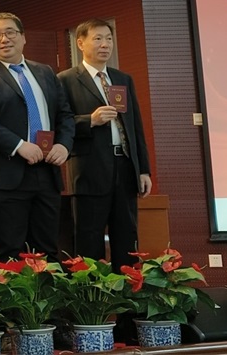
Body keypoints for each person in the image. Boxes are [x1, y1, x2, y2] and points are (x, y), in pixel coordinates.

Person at [0, 12, 75, 261]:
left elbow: (65, 115)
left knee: (46, 253)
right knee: (8, 253)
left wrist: (64, 146)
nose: (4, 39)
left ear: (23, 37)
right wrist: (18, 145)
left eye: (10, 32)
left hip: (46, 173)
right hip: (3, 175)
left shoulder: (45, 72)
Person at [58, 18, 152, 268]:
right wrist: (90, 120)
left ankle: (128, 290)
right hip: (89, 170)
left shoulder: (122, 79)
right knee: (89, 239)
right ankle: (91, 292)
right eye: (98, 39)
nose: (105, 45)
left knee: (127, 237)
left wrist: (143, 169)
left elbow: (135, 127)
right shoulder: (65, 80)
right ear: (80, 43)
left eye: (109, 39)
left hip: (125, 168)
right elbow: (60, 123)